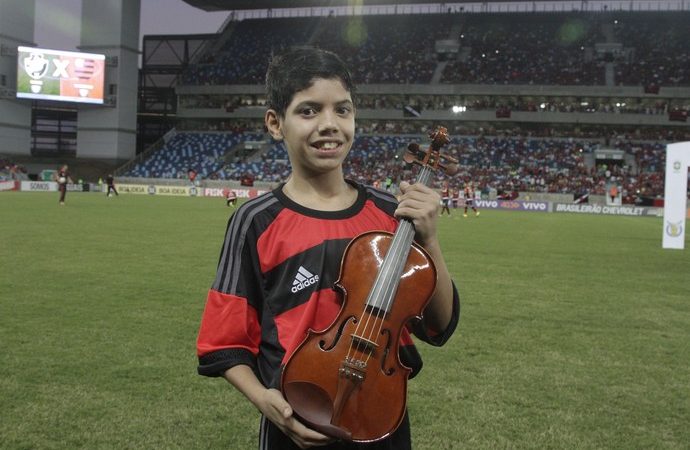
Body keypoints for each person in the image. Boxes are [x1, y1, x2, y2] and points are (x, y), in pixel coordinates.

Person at [196, 48, 460, 450]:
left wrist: (430, 239)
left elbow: (438, 326)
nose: (329, 125)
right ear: (275, 123)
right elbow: (223, 342)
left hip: (382, 415)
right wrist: (263, 399)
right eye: (308, 111)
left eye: (342, 110)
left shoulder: (392, 212)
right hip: (293, 423)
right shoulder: (255, 220)